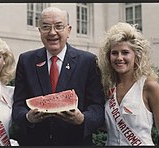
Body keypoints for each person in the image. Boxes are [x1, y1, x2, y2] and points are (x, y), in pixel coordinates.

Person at [12, 7, 105, 146]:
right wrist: (27, 118)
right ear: (39, 31)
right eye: (45, 27)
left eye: (58, 26)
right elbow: (18, 105)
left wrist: (83, 119)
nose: (52, 32)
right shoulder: (26, 60)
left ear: (69, 30)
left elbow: (97, 107)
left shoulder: (88, 61)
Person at [98, 22, 159, 146]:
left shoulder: (149, 86)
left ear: (136, 55)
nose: (119, 58)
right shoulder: (108, 85)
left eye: (125, 52)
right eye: (114, 53)